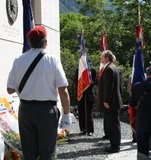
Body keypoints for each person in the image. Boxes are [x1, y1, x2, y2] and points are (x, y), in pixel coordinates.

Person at [7, 25, 71, 160]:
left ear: (30, 42)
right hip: (47, 111)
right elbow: (63, 90)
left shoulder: (18, 60)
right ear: (45, 42)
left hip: (26, 110)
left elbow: (9, 89)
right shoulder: (53, 60)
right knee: (47, 152)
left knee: (28, 152)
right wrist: (66, 115)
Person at [97, 50, 123, 153]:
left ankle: (115, 146)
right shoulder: (112, 67)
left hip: (110, 103)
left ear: (107, 58)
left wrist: (106, 100)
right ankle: (114, 145)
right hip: (113, 102)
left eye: (102, 57)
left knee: (113, 124)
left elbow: (109, 87)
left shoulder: (109, 69)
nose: (101, 58)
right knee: (113, 124)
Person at [129, 66, 151, 159]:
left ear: (147, 74)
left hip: (142, 118)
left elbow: (132, 103)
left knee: (142, 144)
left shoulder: (136, 86)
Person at [74, 63, 96, 136]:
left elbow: (95, 81)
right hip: (81, 94)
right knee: (81, 113)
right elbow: (75, 81)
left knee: (88, 113)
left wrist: (89, 83)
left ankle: (90, 130)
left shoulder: (92, 70)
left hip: (89, 94)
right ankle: (83, 129)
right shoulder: (78, 70)